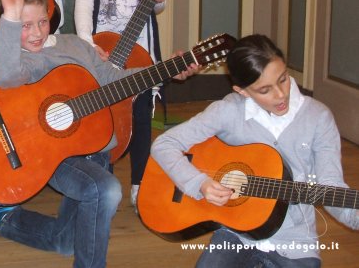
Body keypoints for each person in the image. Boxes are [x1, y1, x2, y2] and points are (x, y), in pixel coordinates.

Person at [0, 0, 196, 268]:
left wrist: (166, 71)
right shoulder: (21, 61)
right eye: (24, 26)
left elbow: (112, 79)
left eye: (42, 22)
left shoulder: (75, 45)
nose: (36, 33)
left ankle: (7, 218)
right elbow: (5, 75)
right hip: (48, 155)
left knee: (64, 242)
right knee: (107, 190)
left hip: (93, 146)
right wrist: (11, 16)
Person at [151, 34, 359, 267]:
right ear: (243, 91)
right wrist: (199, 182)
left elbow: (331, 186)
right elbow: (164, 144)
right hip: (234, 233)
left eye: (283, 79)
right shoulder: (229, 111)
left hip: (295, 241)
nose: (281, 95)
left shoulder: (318, 118)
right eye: (265, 90)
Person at [74, 0, 168, 208]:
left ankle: (140, 181)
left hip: (141, 44)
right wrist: (87, 42)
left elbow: (156, 5)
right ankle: (104, 176)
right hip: (104, 44)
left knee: (141, 112)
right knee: (105, 113)